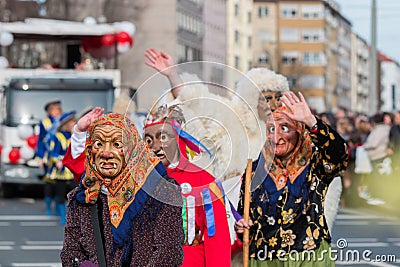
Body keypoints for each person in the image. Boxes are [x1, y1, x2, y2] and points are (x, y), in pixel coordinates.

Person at [144, 48, 343, 234]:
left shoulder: (295, 132)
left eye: (277, 96)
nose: (273, 104)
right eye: (265, 97)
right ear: (251, 97)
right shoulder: (233, 118)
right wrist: (172, 75)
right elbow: (198, 102)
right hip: (240, 214)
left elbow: (332, 160)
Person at [235, 92, 349, 266]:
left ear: (299, 131)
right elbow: (244, 218)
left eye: (285, 128)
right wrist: (242, 227)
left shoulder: (315, 165)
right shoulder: (254, 171)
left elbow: (340, 154)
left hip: (308, 257)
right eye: (272, 129)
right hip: (263, 259)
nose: (276, 138)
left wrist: (311, 121)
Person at [60, 110, 184, 267]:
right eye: (98, 144)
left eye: (117, 144)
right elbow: (71, 251)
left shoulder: (162, 190)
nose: (106, 153)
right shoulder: (83, 195)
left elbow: (168, 252)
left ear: (132, 148)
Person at [143, 104, 232, 267]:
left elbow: (216, 236)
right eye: (149, 140)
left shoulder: (203, 180)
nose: (155, 147)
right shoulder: (140, 181)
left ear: (176, 138)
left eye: (163, 137)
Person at [46, 111, 76, 225]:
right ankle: (63, 216)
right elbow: (53, 152)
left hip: (73, 169)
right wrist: (58, 161)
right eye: (72, 122)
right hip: (61, 169)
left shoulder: (76, 136)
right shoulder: (58, 136)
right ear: (67, 123)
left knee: (75, 192)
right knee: (60, 193)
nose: (74, 124)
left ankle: (73, 215)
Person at [36, 98, 63, 216]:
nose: (56, 112)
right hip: (49, 156)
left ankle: (58, 205)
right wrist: (40, 157)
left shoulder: (63, 121)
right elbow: (41, 141)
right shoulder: (45, 122)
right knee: (49, 181)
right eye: (54, 110)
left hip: (59, 156)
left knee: (59, 182)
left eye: (58, 109)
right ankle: (48, 206)